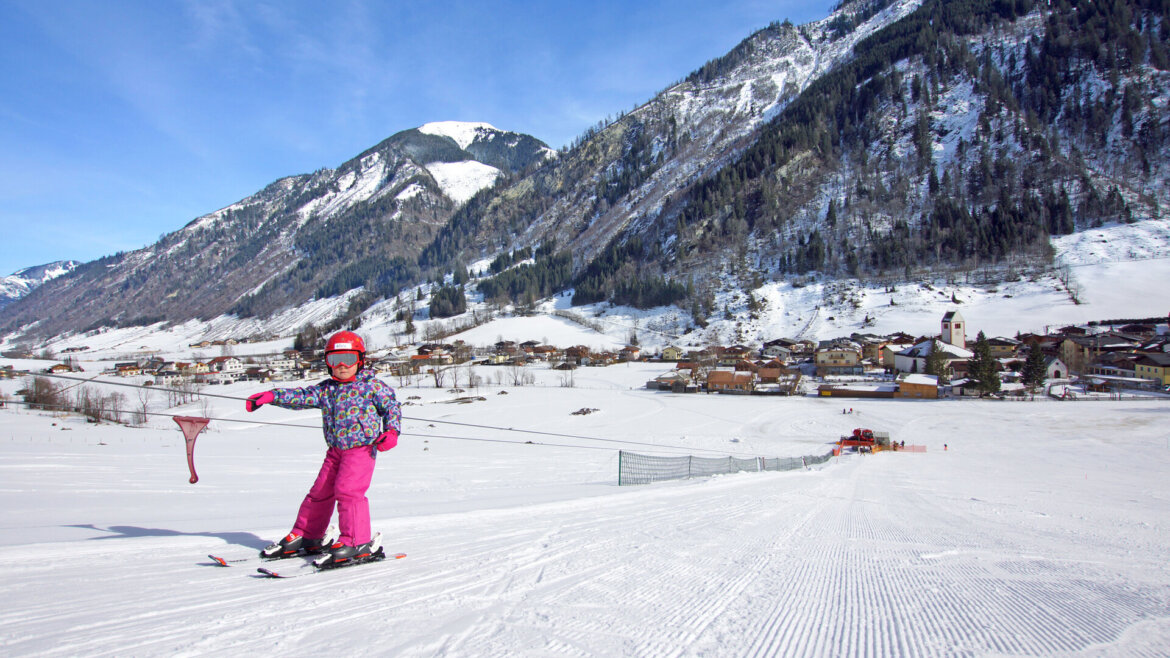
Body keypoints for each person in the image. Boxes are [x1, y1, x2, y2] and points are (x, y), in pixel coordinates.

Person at [245, 330, 401, 567]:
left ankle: (356, 542)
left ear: (360, 360)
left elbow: (392, 407)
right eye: (334, 360)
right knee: (319, 492)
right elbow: (301, 396)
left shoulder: (372, 387)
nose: (341, 365)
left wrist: (391, 431)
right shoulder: (327, 389)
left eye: (348, 359)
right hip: (335, 450)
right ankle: (308, 536)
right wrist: (271, 396)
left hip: (362, 449)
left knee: (348, 491)